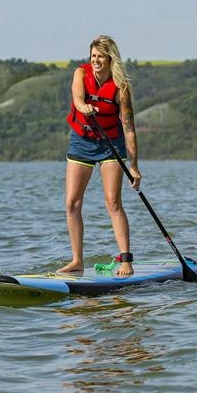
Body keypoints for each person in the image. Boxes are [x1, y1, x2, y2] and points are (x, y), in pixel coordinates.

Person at [59, 35, 141, 276]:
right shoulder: (80, 74)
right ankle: (77, 261)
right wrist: (84, 107)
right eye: (93, 56)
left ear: (110, 59)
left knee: (113, 202)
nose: (95, 60)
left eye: (100, 57)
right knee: (72, 203)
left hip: (110, 144)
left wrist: (134, 165)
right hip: (82, 142)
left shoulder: (120, 87)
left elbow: (129, 128)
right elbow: (78, 98)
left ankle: (126, 261)